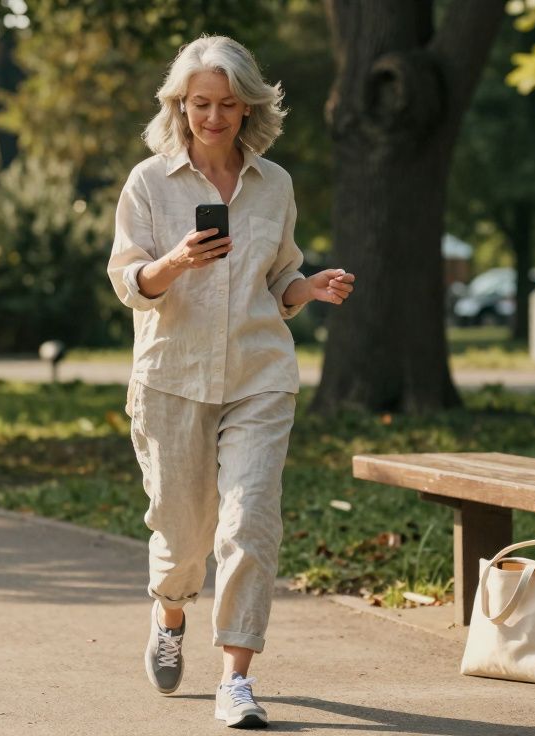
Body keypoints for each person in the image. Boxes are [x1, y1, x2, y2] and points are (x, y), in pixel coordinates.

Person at [107, 35, 356, 729]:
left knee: (250, 523)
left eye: (226, 104)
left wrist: (309, 287)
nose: (212, 117)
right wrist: (178, 262)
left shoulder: (274, 185)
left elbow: (276, 279)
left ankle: (237, 680)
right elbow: (129, 281)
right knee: (183, 536)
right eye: (199, 104)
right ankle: (169, 610)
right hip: (172, 380)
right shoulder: (149, 183)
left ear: (248, 107)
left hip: (259, 376)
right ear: (179, 106)